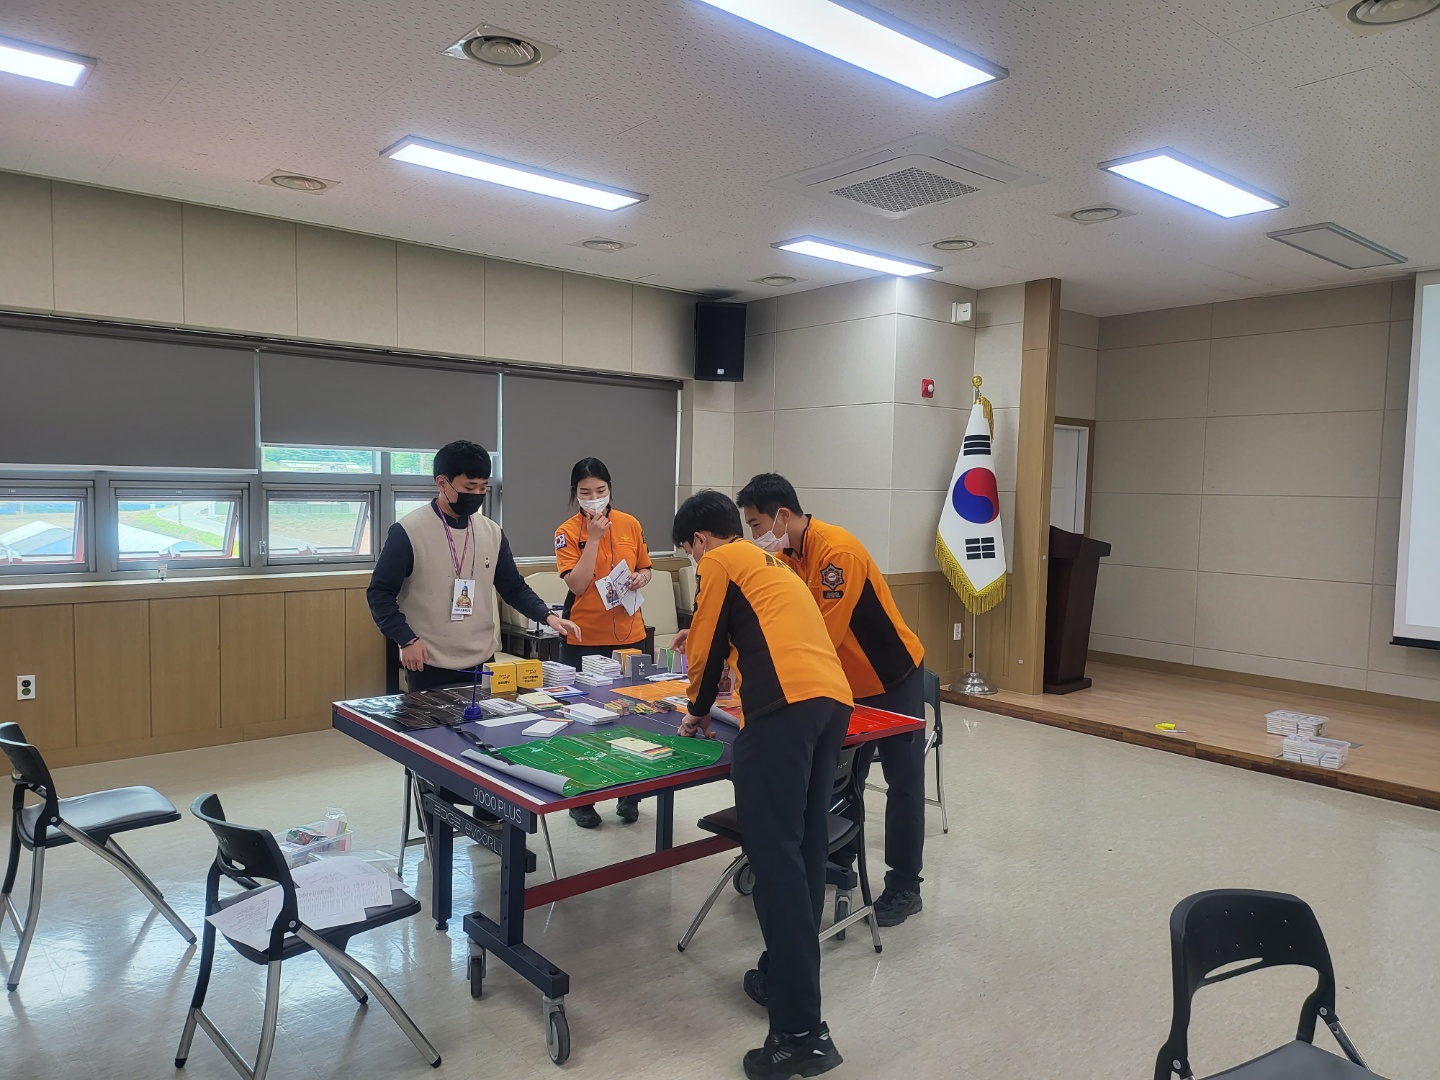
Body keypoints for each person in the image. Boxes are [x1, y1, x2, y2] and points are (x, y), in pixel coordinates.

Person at [671, 490, 851, 1080]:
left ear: (700, 541)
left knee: (775, 864)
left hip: (781, 713)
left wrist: (696, 711)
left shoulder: (720, 561)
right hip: (830, 705)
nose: (695, 562)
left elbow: (705, 651)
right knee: (802, 854)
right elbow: (752, 634)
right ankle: (782, 981)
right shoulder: (771, 564)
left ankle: (799, 1033)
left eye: (689, 552)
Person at [736, 473, 928, 928]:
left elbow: (822, 635)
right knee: (841, 778)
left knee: (903, 782)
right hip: (842, 683)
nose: (754, 535)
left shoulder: (836, 554)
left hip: (891, 677)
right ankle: (837, 861)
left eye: (756, 524)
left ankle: (905, 885)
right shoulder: (787, 556)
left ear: (782, 514)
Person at [368, 440, 581, 692]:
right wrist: (406, 640)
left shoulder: (491, 532)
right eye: (469, 487)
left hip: (482, 659)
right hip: (428, 661)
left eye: (483, 487)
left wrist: (547, 616)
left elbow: (513, 587)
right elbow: (379, 593)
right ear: (442, 483)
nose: (477, 494)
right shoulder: (409, 531)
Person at [553, 457, 653, 829]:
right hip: (584, 639)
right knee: (583, 721)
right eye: (586, 492)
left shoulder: (630, 523)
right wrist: (593, 539)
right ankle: (582, 798)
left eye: (601, 490)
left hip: (630, 636)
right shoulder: (566, 531)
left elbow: (645, 567)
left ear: (610, 489)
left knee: (632, 718)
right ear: (575, 494)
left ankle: (630, 794)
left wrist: (642, 578)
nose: (594, 497)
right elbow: (578, 584)